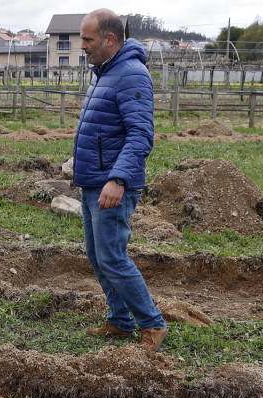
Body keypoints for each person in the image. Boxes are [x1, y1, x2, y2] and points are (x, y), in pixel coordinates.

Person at [74, 9, 168, 351]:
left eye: (88, 39)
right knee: (99, 256)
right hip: (92, 181)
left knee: (112, 256)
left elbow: (140, 135)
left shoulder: (130, 74)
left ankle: (152, 324)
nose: (82, 46)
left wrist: (117, 179)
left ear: (110, 40)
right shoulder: (104, 72)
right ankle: (119, 320)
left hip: (110, 185)